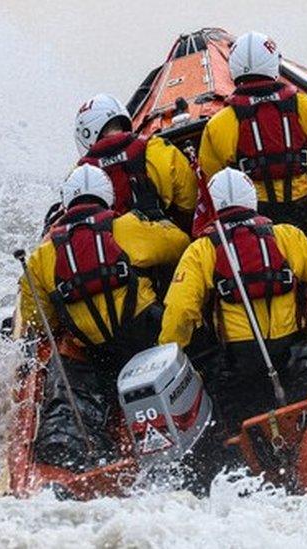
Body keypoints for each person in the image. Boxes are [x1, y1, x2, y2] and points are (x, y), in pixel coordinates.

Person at [19, 164, 190, 471]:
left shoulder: (41, 258)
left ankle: (88, 454)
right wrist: (156, 217)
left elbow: (36, 320)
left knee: (66, 361)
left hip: (99, 360)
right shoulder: (128, 228)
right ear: (107, 198)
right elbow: (180, 245)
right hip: (149, 343)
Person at [159, 168, 307, 428]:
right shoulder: (286, 236)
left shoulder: (201, 250)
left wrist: (171, 353)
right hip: (289, 349)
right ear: (252, 198)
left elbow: (179, 310)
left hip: (240, 361)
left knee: (230, 408)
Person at [197, 31, 307, 231]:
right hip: (303, 203)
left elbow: (213, 177)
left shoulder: (219, 124)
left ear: (234, 69)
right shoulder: (305, 107)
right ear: (274, 64)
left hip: (254, 211)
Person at [74, 93, 198, 228]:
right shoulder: (157, 149)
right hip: (161, 238)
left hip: (110, 244)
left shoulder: (81, 176)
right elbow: (190, 202)